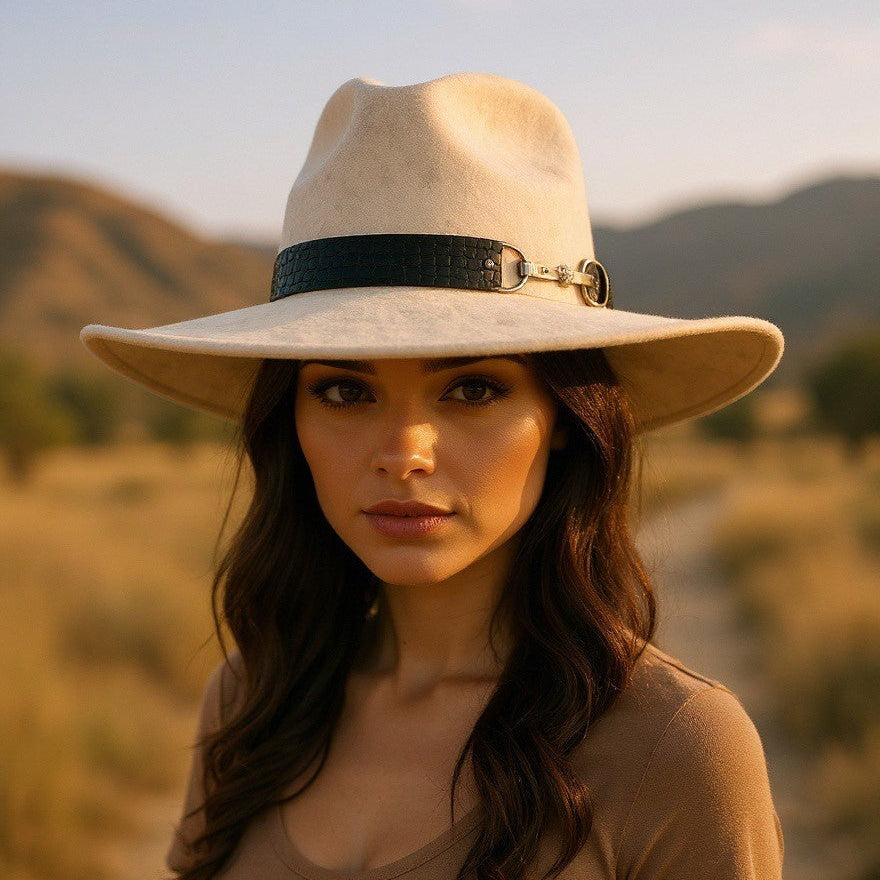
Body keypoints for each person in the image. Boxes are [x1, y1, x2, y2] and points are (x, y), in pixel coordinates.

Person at [80, 73, 785, 880]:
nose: (403, 450)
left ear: (563, 418)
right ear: (293, 422)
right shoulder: (252, 699)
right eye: (344, 390)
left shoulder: (677, 746)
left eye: (473, 388)